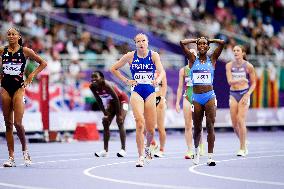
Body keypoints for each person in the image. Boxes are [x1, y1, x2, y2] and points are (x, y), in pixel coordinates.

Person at [111, 33, 165, 167]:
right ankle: (140, 156)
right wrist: (126, 80)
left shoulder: (154, 55)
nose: (141, 43)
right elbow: (113, 68)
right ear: (135, 43)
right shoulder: (130, 56)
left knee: (151, 129)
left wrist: (157, 80)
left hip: (151, 92)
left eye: (143, 41)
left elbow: (162, 72)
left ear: (147, 42)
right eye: (138, 41)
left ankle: (148, 149)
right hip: (136, 91)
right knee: (140, 123)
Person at [0, 27, 47, 167]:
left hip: (19, 88)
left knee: (17, 123)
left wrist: (31, 75)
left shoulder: (25, 51)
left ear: (19, 36)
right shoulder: (3, 50)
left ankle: (25, 151)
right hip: (5, 88)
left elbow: (43, 63)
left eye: (13, 34)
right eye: (9, 34)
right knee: (8, 124)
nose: (11, 36)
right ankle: (11, 157)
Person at [180, 37, 224, 166]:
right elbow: (182, 43)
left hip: (209, 96)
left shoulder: (213, 59)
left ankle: (210, 156)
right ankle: (196, 152)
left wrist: (210, 40)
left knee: (210, 125)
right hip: (197, 98)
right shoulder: (193, 60)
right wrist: (195, 40)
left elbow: (222, 43)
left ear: (208, 46)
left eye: (205, 44)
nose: (202, 45)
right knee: (197, 128)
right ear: (197, 46)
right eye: (200, 44)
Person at [89, 70, 128, 157]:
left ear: (102, 78)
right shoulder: (92, 87)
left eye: (96, 77)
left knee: (120, 122)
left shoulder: (107, 85)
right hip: (112, 101)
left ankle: (123, 149)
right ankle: (105, 151)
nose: (93, 79)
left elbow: (117, 99)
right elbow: (99, 100)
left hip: (122, 100)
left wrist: (118, 115)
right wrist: (105, 114)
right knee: (105, 122)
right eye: (92, 77)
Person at [225, 45, 256, 157]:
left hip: (244, 94)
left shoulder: (249, 66)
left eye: (238, 50)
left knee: (240, 119)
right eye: (234, 50)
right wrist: (240, 79)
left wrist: (248, 94)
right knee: (234, 124)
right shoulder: (229, 65)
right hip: (233, 94)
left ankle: (242, 148)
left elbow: (254, 83)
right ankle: (243, 141)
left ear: (243, 53)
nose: (235, 52)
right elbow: (229, 81)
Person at [175, 49, 205, 159]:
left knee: (198, 124)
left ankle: (201, 146)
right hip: (187, 97)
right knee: (188, 125)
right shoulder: (183, 70)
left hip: (199, 98)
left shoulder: (201, 68)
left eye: (194, 54)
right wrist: (177, 103)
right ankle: (189, 150)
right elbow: (179, 88)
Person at [151, 70, 167, 158]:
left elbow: (164, 86)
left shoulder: (161, 71)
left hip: (159, 99)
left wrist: (162, 98)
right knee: (146, 126)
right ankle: (153, 143)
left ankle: (161, 149)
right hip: (149, 100)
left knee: (160, 127)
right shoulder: (146, 70)